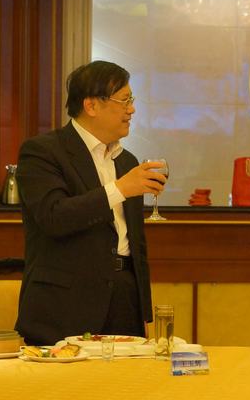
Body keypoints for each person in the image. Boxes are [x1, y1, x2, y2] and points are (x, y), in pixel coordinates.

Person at [15, 60, 167, 345]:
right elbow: (53, 217)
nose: (132, 110)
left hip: (124, 301)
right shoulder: (43, 152)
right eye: (124, 100)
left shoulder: (127, 161)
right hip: (65, 304)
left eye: (132, 100)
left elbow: (136, 244)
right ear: (91, 105)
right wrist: (119, 189)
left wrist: (143, 313)